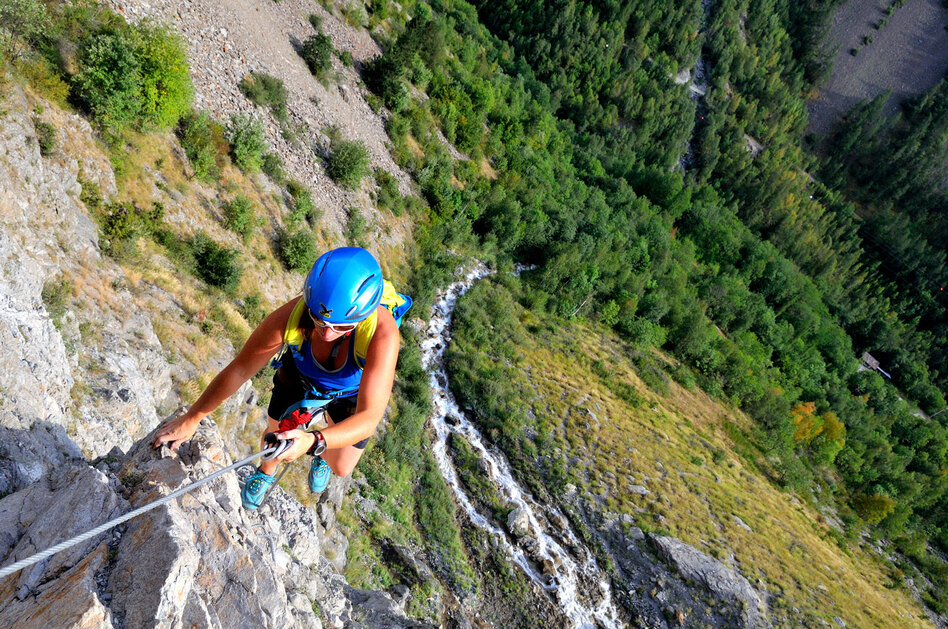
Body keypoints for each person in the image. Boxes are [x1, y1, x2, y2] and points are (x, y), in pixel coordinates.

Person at [152, 247, 403, 509]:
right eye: (319, 320)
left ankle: (323, 452)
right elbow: (240, 369)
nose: (327, 333)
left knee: (341, 467)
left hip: (350, 392)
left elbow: (369, 418)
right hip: (301, 376)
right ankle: (265, 472)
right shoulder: (291, 317)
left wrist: (315, 441)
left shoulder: (382, 335)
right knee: (277, 435)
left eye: (342, 327)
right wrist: (192, 418)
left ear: (365, 315)